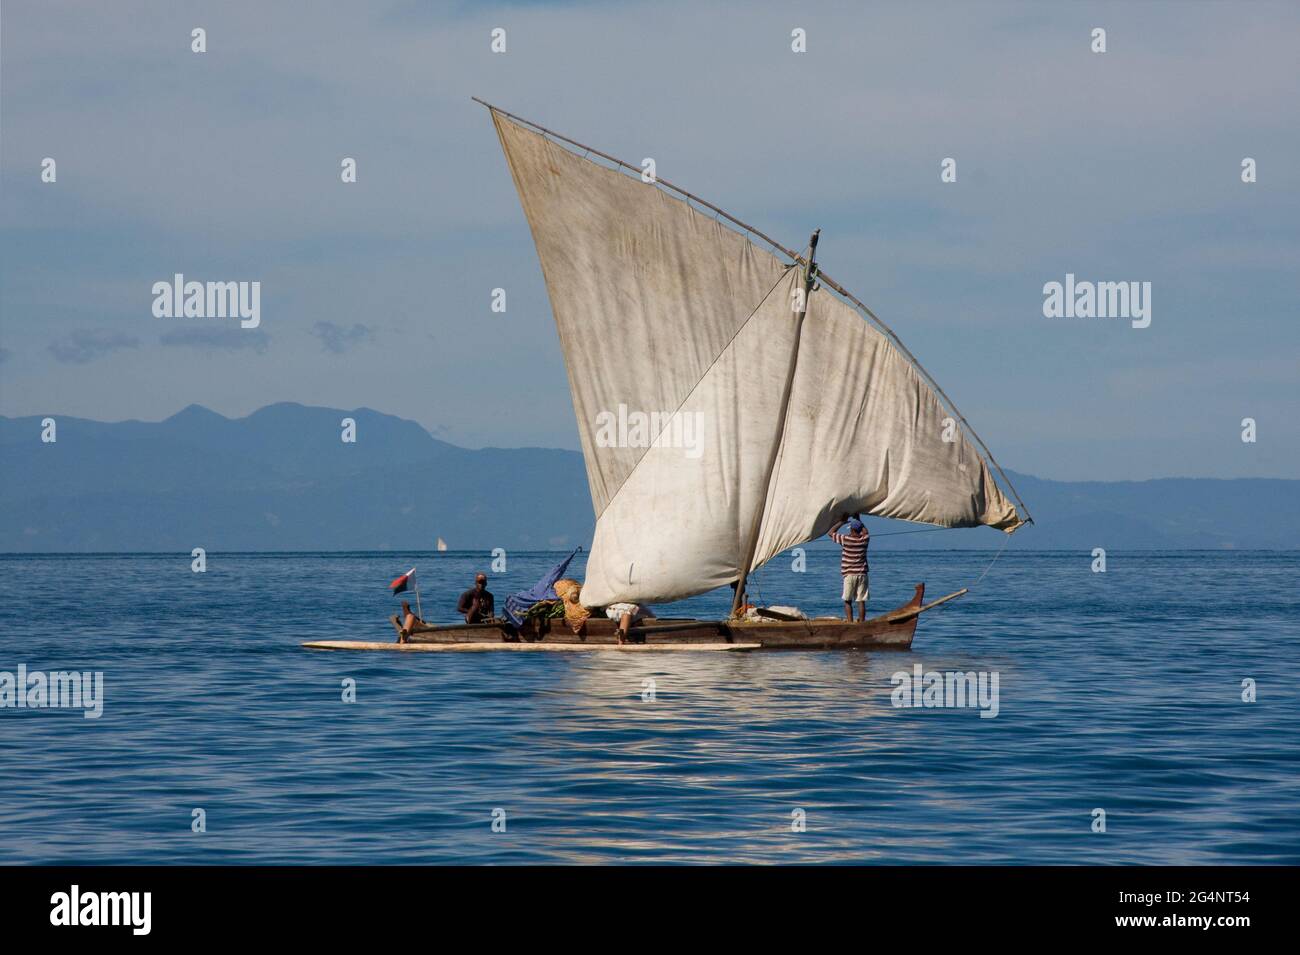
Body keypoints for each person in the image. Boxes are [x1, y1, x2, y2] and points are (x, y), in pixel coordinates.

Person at [828, 513, 870, 622]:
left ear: (851, 530)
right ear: (860, 530)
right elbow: (866, 532)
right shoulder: (865, 539)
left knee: (847, 601)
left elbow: (831, 533)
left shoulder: (846, 539)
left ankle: (850, 623)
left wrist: (842, 521)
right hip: (862, 574)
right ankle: (862, 622)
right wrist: (858, 519)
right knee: (861, 601)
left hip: (849, 575)